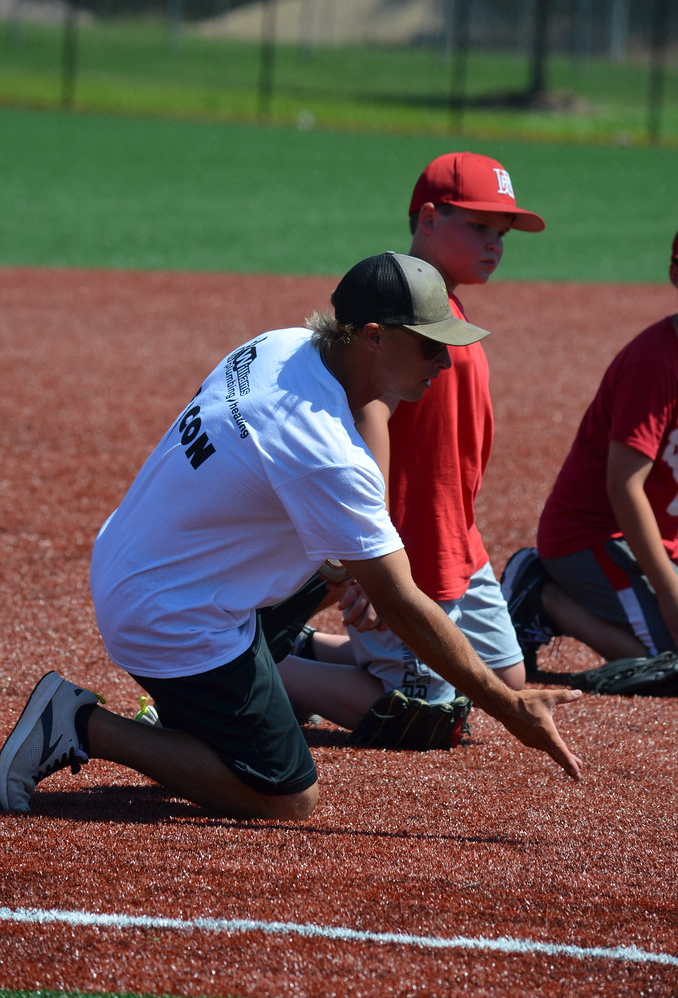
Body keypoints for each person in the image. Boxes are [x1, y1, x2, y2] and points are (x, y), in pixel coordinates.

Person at [0, 252, 583, 820]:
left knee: (345, 561)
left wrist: (360, 568)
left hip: (137, 555)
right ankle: (78, 723)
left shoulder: (281, 346)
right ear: (374, 337)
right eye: (432, 345)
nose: (445, 363)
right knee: (287, 799)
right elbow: (402, 603)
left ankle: (204, 707)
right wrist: (507, 707)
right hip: (168, 615)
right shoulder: (324, 452)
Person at [279, 152, 545, 732]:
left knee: (507, 682)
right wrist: (369, 562)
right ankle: (246, 671)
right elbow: (370, 421)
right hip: (409, 539)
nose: (494, 243)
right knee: (425, 715)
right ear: (428, 217)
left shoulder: (447, 304)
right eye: (478, 226)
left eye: (500, 232)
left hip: (456, 538)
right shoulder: (401, 312)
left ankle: (306, 650)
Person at [501, 230, 678, 671]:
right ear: (675, 274)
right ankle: (543, 596)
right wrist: (670, 593)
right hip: (593, 536)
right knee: (668, 662)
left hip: (659, 535)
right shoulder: (655, 364)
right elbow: (624, 487)